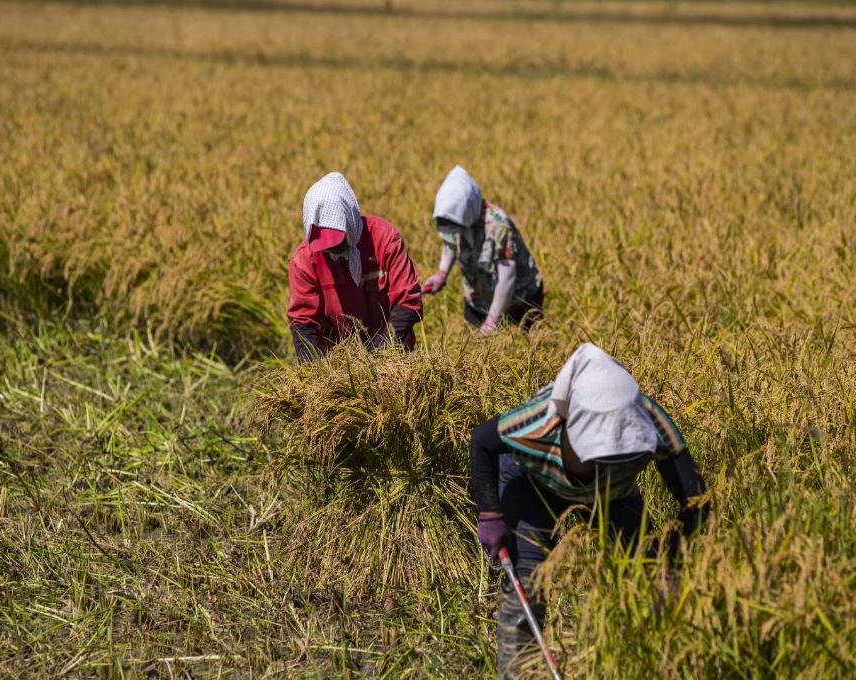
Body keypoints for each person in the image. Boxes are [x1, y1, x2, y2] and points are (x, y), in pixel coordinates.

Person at [469, 343, 708, 677]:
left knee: (654, 578)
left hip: (614, 496)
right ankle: (519, 671)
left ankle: (656, 664)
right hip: (536, 485)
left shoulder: (648, 419)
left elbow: (696, 499)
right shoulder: (538, 422)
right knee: (527, 582)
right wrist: (490, 515)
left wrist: (675, 558)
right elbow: (481, 441)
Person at [287, 172, 423, 363]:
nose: (333, 250)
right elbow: (304, 322)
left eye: (337, 241)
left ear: (349, 220)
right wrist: (312, 372)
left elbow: (408, 302)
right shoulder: (304, 262)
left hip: (393, 358)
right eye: (326, 246)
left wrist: (380, 356)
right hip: (338, 365)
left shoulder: (385, 240)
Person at [421, 166, 544, 334]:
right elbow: (450, 243)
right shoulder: (455, 221)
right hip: (479, 302)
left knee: (522, 346)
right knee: (474, 345)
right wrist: (441, 274)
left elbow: (507, 277)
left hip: (519, 302)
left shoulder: (498, 225)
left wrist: (492, 320)